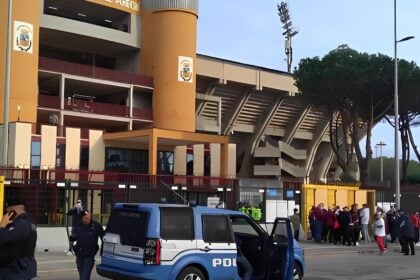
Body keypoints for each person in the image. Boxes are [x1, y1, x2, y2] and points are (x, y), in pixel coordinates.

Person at [0, 198, 37, 279]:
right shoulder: (28, 222)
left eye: (7, 212)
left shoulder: (21, 223)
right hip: (21, 268)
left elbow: (4, 238)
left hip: (16, 270)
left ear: (12, 212)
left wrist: (2, 226)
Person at [70, 210, 104, 280]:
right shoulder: (78, 225)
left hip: (89, 256)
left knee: (84, 277)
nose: (84, 219)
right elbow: (73, 239)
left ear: (90, 216)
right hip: (79, 255)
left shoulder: (96, 226)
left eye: (86, 218)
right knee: (82, 276)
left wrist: (102, 251)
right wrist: (72, 236)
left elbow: (104, 238)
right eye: (83, 218)